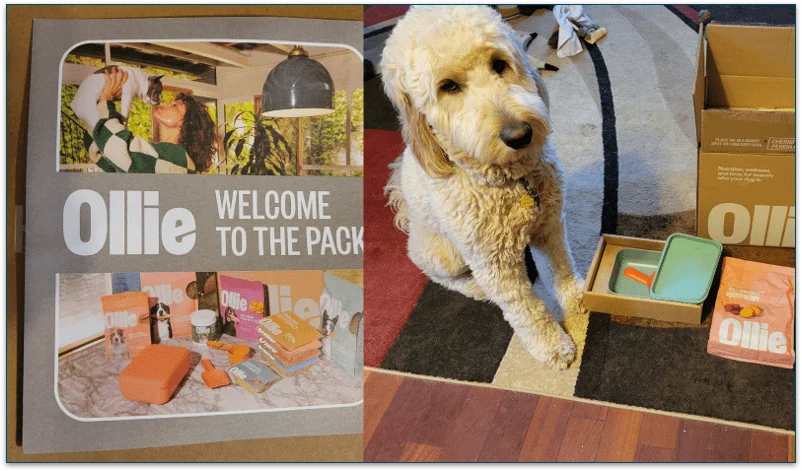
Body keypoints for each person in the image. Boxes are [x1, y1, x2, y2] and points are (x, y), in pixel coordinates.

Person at [88, 68, 217, 173]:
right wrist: (98, 108)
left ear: (184, 123)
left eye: (175, 105)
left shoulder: (179, 158)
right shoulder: (161, 154)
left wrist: (106, 99)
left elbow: (121, 150)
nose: (166, 103)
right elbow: (109, 159)